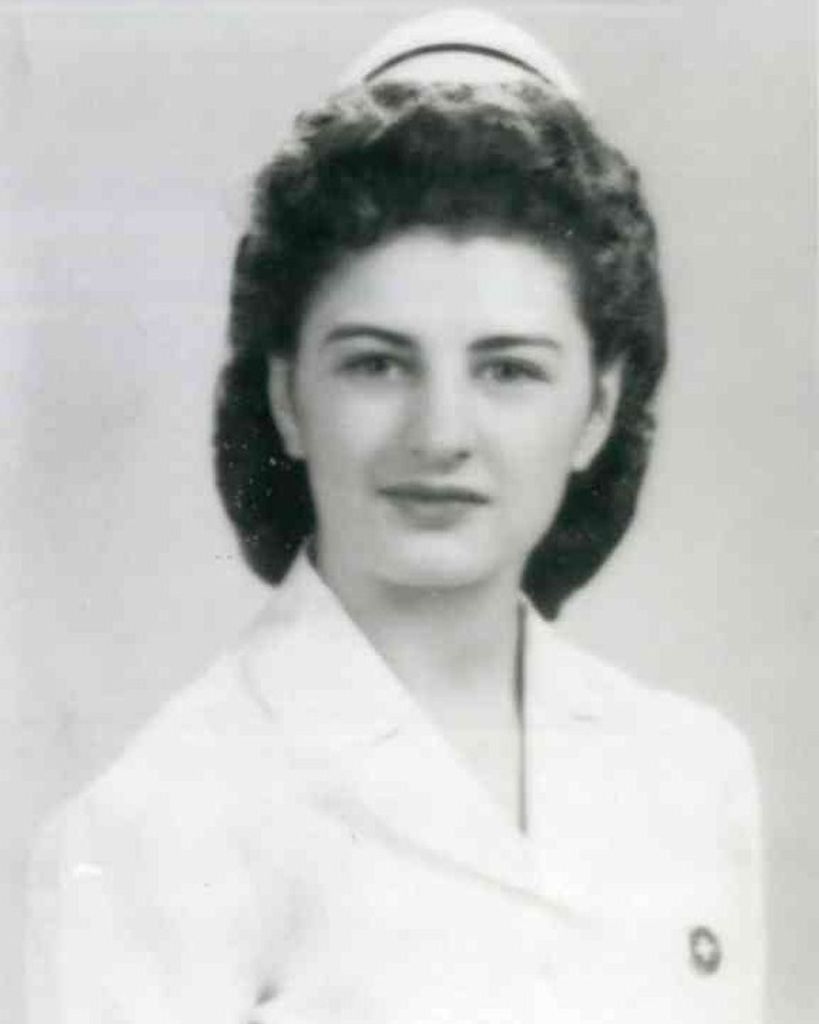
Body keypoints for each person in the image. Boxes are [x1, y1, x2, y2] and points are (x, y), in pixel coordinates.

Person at [26, 9, 765, 1024]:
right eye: (377, 363)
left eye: (508, 370)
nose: (441, 433)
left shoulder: (693, 776)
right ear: (288, 395)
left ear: (597, 408)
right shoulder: (152, 826)